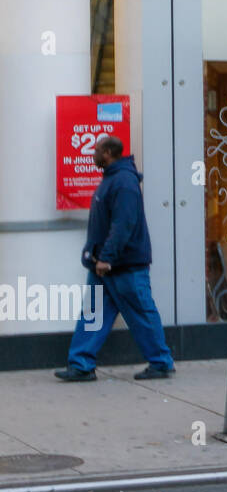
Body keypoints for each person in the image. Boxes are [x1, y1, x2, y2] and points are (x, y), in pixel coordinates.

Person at [56, 136, 175, 381]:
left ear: (108, 152)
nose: (93, 153)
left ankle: (161, 363)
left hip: (123, 265)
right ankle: (81, 365)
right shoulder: (112, 180)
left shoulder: (123, 182)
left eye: (97, 149)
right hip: (106, 266)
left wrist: (106, 258)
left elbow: (124, 225)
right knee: (94, 314)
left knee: (141, 312)